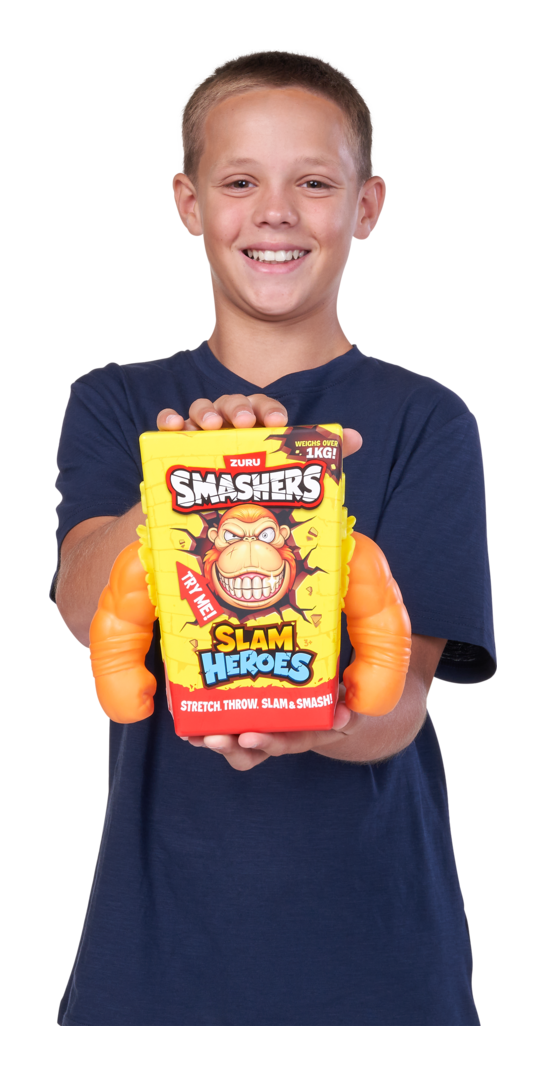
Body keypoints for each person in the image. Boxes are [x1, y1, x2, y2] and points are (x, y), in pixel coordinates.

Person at [52, 51, 495, 1026]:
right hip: (152, 962)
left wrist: (316, 723)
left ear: (366, 206)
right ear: (190, 201)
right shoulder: (117, 402)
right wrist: (186, 484)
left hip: (381, 963)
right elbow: (88, 605)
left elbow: (400, 700)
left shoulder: (425, 420)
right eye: (241, 181)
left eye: (316, 183)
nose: (277, 212)